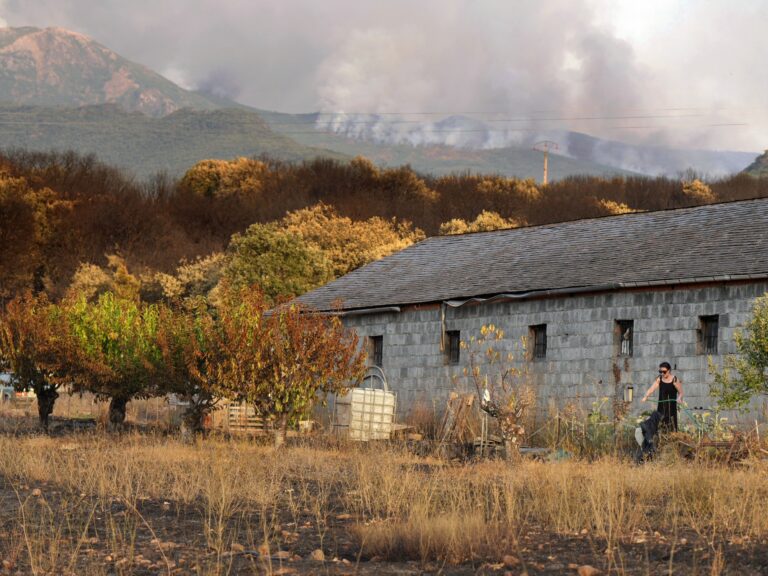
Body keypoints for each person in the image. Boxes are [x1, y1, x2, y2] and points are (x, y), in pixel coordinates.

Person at [641, 362, 684, 431]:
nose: (662, 373)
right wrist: (646, 396)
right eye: (660, 371)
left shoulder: (675, 380)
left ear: (669, 371)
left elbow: (681, 393)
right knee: (660, 424)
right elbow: (652, 388)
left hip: (671, 407)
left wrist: (679, 398)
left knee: (671, 425)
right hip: (661, 406)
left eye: (664, 372)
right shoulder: (659, 379)